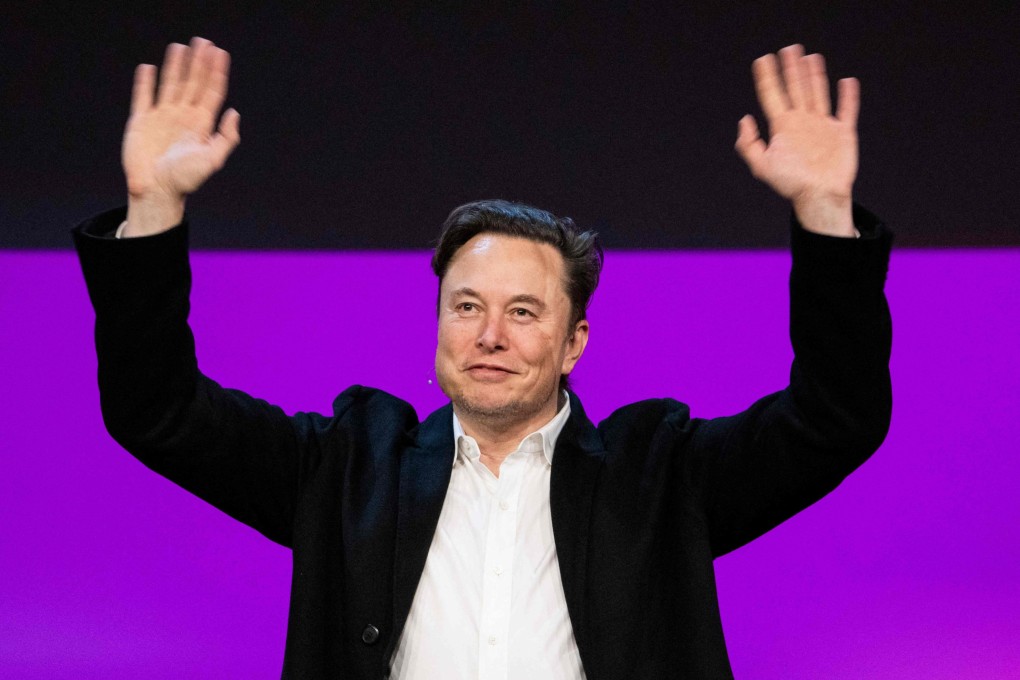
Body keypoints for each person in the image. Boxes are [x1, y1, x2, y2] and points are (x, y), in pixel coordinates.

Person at [73, 37, 892, 680]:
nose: (489, 335)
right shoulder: (348, 468)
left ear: (575, 342)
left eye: (524, 313)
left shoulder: (661, 476)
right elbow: (159, 410)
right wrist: (154, 205)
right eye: (467, 307)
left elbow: (834, 419)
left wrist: (823, 209)